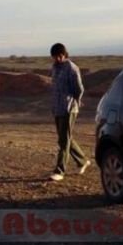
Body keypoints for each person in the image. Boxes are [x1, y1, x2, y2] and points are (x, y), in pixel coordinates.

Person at [48, 43, 90, 182]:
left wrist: (77, 100)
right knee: (65, 138)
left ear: (64, 54)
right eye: (55, 57)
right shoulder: (54, 68)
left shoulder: (71, 68)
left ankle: (60, 170)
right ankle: (83, 160)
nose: (58, 59)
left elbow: (79, 88)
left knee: (63, 140)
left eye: (60, 56)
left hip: (68, 108)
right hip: (57, 107)